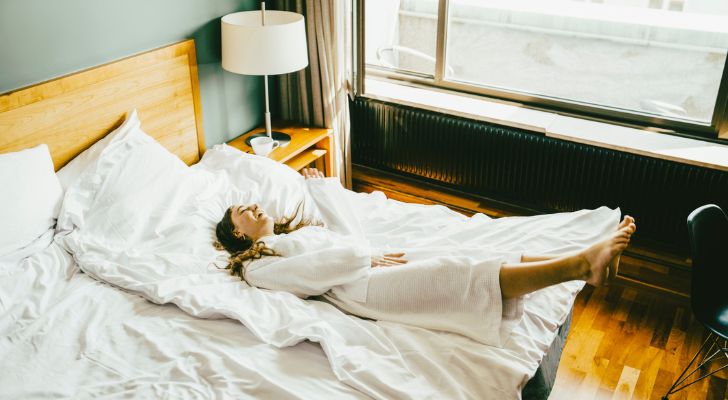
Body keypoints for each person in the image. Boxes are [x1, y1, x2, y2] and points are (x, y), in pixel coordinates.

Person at [214, 168, 636, 345]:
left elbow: (350, 235)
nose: (255, 208)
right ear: (237, 233)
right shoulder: (256, 265)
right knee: (456, 273)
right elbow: (303, 277)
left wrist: (322, 190)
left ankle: (581, 254)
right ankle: (583, 266)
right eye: (243, 212)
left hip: (369, 264)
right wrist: (362, 259)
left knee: (473, 249)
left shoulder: (300, 233)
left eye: (252, 204)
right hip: (358, 287)